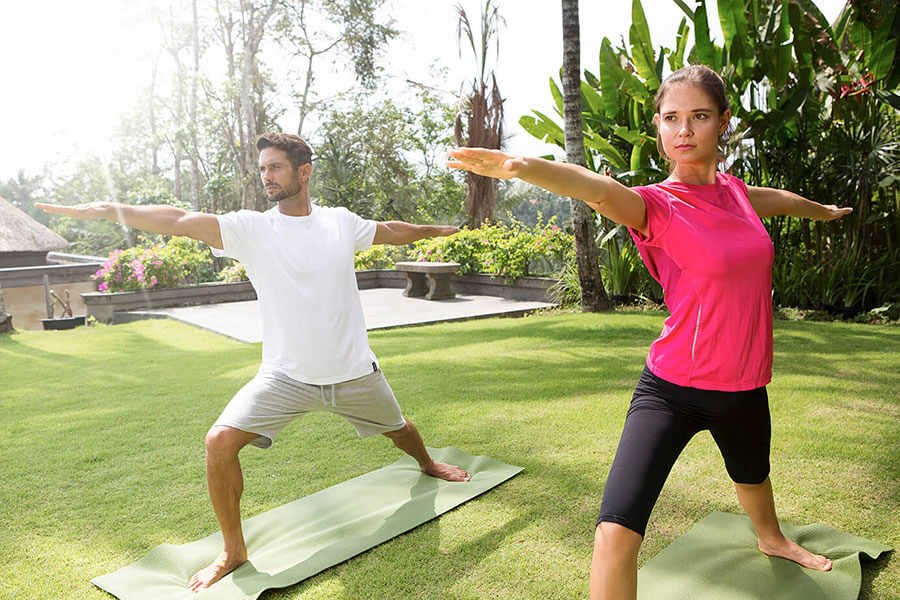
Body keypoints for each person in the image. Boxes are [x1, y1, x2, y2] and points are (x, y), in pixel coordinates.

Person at [447, 65, 851, 600]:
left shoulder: (735, 193)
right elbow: (595, 188)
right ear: (659, 129)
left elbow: (773, 198)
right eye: (671, 119)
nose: (684, 130)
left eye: (699, 117)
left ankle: (772, 539)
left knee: (752, 473)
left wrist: (818, 211)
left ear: (722, 122)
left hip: (745, 387)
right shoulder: (654, 206)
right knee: (615, 532)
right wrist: (525, 167)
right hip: (671, 389)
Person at [37, 131, 471, 592]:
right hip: (285, 376)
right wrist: (109, 209)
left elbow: (387, 231)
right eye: (261, 168)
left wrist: (431, 231)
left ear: (303, 172)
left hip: (352, 370)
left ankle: (426, 462)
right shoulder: (251, 228)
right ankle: (233, 550)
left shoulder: (340, 222)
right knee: (219, 442)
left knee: (400, 429)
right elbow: (180, 220)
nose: (265, 177)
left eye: (275, 168)